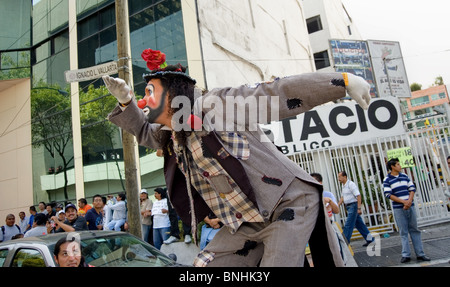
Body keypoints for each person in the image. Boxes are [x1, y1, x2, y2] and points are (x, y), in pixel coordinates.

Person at [102, 48, 371, 267]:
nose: (143, 101)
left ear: (173, 94)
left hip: (288, 202)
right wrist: (125, 101)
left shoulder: (214, 105)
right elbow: (145, 132)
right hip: (247, 222)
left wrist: (341, 82)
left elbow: (273, 93)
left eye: (149, 92)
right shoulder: (173, 133)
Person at [383, 158, 431, 263]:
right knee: (403, 231)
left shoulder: (405, 176)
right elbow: (388, 194)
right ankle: (406, 254)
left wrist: (409, 201)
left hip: (410, 206)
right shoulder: (387, 179)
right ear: (393, 167)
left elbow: (412, 188)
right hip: (399, 209)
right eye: (398, 164)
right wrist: (403, 202)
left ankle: (420, 253)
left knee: (415, 230)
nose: (400, 166)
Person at [337, 171, 374, 246]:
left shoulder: (351, 184)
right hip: (348, 206)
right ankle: (370, 239)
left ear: (345, 177)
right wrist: (337, 205)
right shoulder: (343, 186)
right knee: (359, 224)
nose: (339, 179)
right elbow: (342, 197)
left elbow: (358, 195)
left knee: (348, 224)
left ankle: (345, 242)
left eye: (340, 177)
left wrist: (359, 208)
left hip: (353, 206)